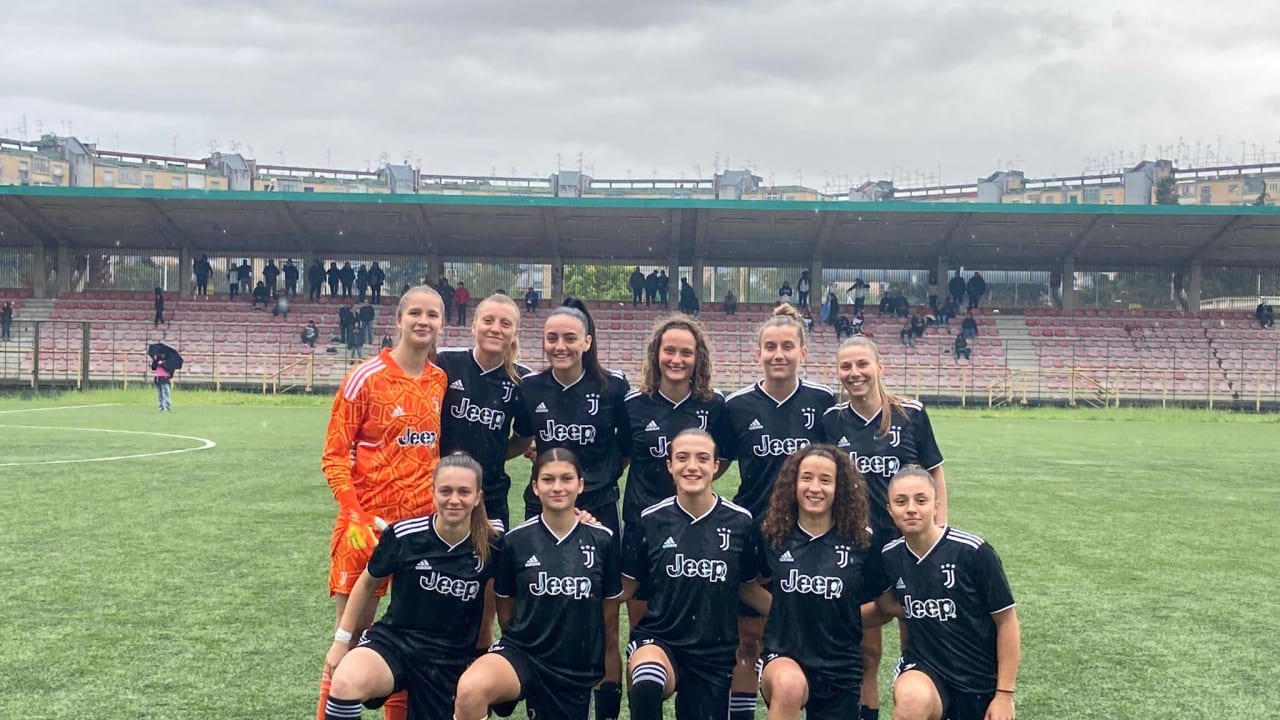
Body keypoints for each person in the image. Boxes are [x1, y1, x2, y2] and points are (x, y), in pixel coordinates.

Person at [316, 285, 448, 720]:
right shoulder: (365, 376)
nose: (423, 321)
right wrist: (353, 511)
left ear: (442, 324)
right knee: (349, 641)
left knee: (410, 641)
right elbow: (334, 454)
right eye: (415, 312)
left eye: (432, 314)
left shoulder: (438, 380)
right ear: (398, 319)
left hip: (418, 533)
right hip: (364, 529)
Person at [820, 335, 948, 720]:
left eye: (862, 364)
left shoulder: (911, 413)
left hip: (906, 544)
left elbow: (934, 472)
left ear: (879, 366)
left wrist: (937, 529)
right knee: (867, 650)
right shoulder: (832, 420)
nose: (854, 373)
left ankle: (919, 705)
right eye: (846, 367)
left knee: (918, 642)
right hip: (856, 546)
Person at [321, 454, 500, 720]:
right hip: (395, 643)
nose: (454, 499)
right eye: (446, 491)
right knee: (346, 682)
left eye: (464, 492)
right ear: (433, 492)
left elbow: (504, 596)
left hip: (449, 658)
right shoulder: (405, 535)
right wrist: (341, 641)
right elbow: (367, 582)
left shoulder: (494, 544)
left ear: (478, 497)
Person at [519, 297, 631, 719]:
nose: (560, 346)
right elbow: (521, 439)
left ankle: (603, 713)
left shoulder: (613, 387)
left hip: (599, 511)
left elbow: (625, 450)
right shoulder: (530, 388)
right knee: (543, 613)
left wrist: (596, 485)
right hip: (544, 514)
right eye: (552, 338)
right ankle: (540, 706)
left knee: (604, 623)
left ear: (587, 341)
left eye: (569, 338)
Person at [722, 304, 834, 720]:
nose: (778, 354)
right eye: (770, 347)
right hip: (755, 532)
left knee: (818, 633)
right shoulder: (736, 405)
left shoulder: (822, 401)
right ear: (758, 353)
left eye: (787, 346)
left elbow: (835, 466)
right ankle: (742, 713)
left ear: (803, 351)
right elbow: (714, 466)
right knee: (749, 638)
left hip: (809, 534)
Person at [454, 449, 623, 720]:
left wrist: (609, 696)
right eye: (548, 479)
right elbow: (506, 610)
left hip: (576, 665)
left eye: (566, 479)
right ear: (535, 487)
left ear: (580, 484)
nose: (557, 487)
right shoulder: (516, 541)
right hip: (525, 654)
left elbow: (610, 628)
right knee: (471, 689)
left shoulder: (602, 540)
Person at [620, 429, 761, 720]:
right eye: (682, 458)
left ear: (716, 466)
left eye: (702, 458)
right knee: (646, 680)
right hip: (660, 639)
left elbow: (748, 587)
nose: (692, 466)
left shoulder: (741, 522)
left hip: (714, 652)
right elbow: (625, 588)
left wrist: (795, 611)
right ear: (669, 465)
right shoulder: (649, 520)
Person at [753, 445, 889, 720]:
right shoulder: (770, 533)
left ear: (840, 487)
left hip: (841, 665)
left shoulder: (862, 541)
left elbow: (886, 607)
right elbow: (746, 585)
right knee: (789, 687)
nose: (815, 487)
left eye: (825, 480)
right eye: (806, 477)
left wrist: (840, 616)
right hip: (783, 655)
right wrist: (787, 611)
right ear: (793, 483)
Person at [876, 467, 1020, 720]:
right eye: (901, 501)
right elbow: (887, 606)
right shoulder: (890, 556)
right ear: (890, 509)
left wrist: (1004, 695)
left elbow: (1006, 621)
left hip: (978, 678)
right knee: (910, 701)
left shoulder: (973, 552)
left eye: (921, 500)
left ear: (936, 506)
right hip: (925, 669)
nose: (911, 508)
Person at [437, 294, 536, 652]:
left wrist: (493, 457)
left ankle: (482, 654)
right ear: (474, 324)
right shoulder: (446, 364)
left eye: (505, 323)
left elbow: (523, 437)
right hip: (442, 494)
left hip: (491, 495)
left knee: (487, 586)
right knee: (440, 575)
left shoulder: (521, 382)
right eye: (488, 320)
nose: (495, 328)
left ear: (515, 333)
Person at [623, 316, 730, 528]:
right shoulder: (633, 404)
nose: (677, 360)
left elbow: (723, 459)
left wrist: (693, 482)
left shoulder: (715, 404)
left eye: (686, 353)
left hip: (693, 518)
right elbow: (622, 457)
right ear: (656, 354)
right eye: (669, 351)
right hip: (641, 519)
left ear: (698, 358)